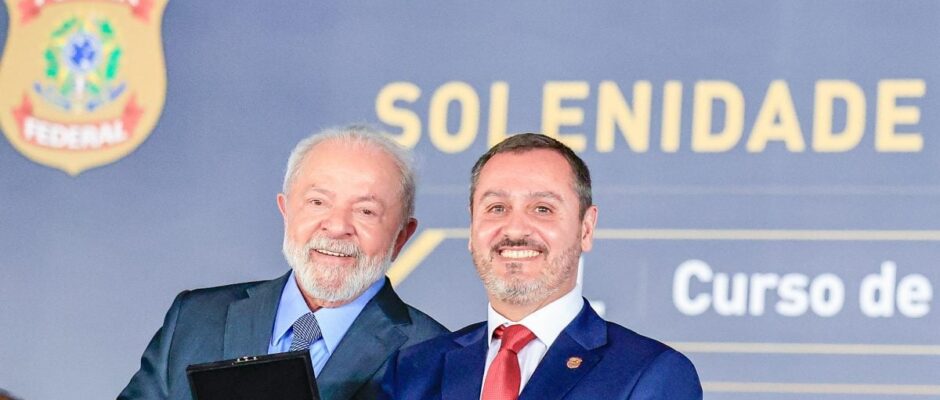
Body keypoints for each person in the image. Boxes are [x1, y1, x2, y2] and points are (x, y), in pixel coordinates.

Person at [120, 125, 448, 400]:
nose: (337, 226)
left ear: (402, 236)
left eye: (366, 211)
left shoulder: (437, 359)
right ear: (285, 211)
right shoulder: (195, 319)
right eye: (318, 202)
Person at [382, 133, 702, 399]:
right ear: (472, 226)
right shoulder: (414, 369)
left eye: (542, 209)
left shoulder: (649, 374)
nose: (515, 229)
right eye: (497, 208)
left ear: (586, 229)